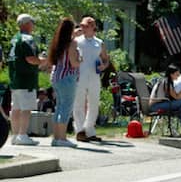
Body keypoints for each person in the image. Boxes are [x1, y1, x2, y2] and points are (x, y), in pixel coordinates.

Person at [8, 13, 47, 145]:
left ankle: (14, 135)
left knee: (16, 108)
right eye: (32, 22)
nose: (33, 25)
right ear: (26, 23)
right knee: (26, 108)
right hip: (26, 79)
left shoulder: (15, 38)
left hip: (15, 78)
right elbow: (30, 59)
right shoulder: (27, 39)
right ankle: (23, 134)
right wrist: (42, 60)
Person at [73, 16, 110, 142]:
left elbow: (105, 58)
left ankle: (89, 129)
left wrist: (103, 65)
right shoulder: (76, 41)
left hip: (94, 75)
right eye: (82, 25)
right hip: (79, 75)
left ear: (93, 27)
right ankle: (79, 130)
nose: (83, 28)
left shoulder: (99, 43)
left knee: (94, 103)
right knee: (78, 103)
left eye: (86, 26)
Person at [47, 17, 81, 147]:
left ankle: (56, 137)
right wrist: (80, 60)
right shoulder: (72, 43)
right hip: (68, 77)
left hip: (57, 76)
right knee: (66, 107)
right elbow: (73, 63)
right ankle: (62, 138)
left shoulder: (58, 42)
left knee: (59, 107)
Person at [151, 64, 181, 137]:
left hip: (164, 103)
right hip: (156, 106)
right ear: (171, 74)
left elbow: (178, 97)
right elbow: (177, 97)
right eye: (177, 74)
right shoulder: (166, 82)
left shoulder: (168, 82)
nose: (178, 76)